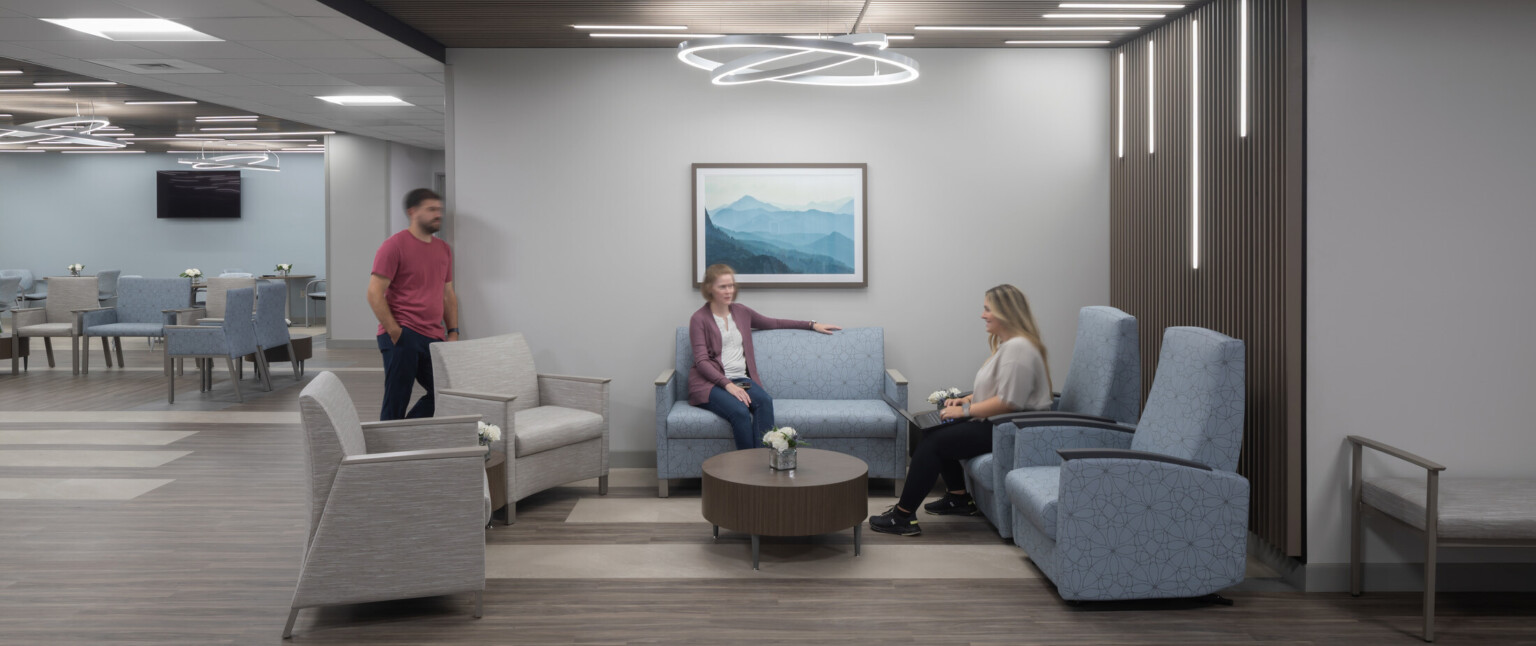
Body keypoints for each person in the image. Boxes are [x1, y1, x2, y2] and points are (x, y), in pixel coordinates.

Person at [869, 284, 1054, 536]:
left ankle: (902, 517)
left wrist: (966, 411)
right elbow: (999, 390)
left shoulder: (1019, 349)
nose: (982, 315)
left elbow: (1010, 401)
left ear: (1005, 312)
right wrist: (966, 399)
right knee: (932, 428)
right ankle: (958, 499)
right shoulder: (1011, 346)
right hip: (1001, 424)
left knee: (935, 442)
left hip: (1012, 430)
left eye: (988, 309)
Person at [689, 264, 842, 450]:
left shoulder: (741, 312)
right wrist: (727, 385)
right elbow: (702, 362)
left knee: (764, 401)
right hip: (711, 384)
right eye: (723, 287)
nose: (729, 291)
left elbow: (774, 322)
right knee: (740, 411)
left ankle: (762, 463)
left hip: (740, 381)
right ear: (709, 288)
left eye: (731, 286)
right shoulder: (699, 319)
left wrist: (811, 325)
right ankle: (746, 469)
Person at [367, 188, 460, 420]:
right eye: (431, 209)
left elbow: (447, 294)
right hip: (403, 335)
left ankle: (406, 432)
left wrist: (453, 332)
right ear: (413, 212)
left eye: (439, 209)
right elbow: (374, 293)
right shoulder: (394, 246)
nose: (438, 214)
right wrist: (395, 331)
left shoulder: (443, 249)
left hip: (434, 336)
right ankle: (388, 450)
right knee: (397, 398)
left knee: (446, 394)